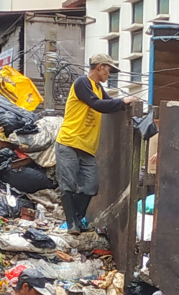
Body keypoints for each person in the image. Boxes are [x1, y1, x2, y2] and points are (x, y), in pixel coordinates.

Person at [55, 54, 139, 234]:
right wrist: (122, 101)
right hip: (69, 141)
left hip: (87, 147)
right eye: (109, 70)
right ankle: (72, 224)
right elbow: (98, 105)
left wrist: (126, 104)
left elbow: (108, 103)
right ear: (100, 67)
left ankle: (77, 219)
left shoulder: (98, 88)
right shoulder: (82, 83)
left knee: (91, 187)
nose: (110, 74)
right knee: (68, 184)